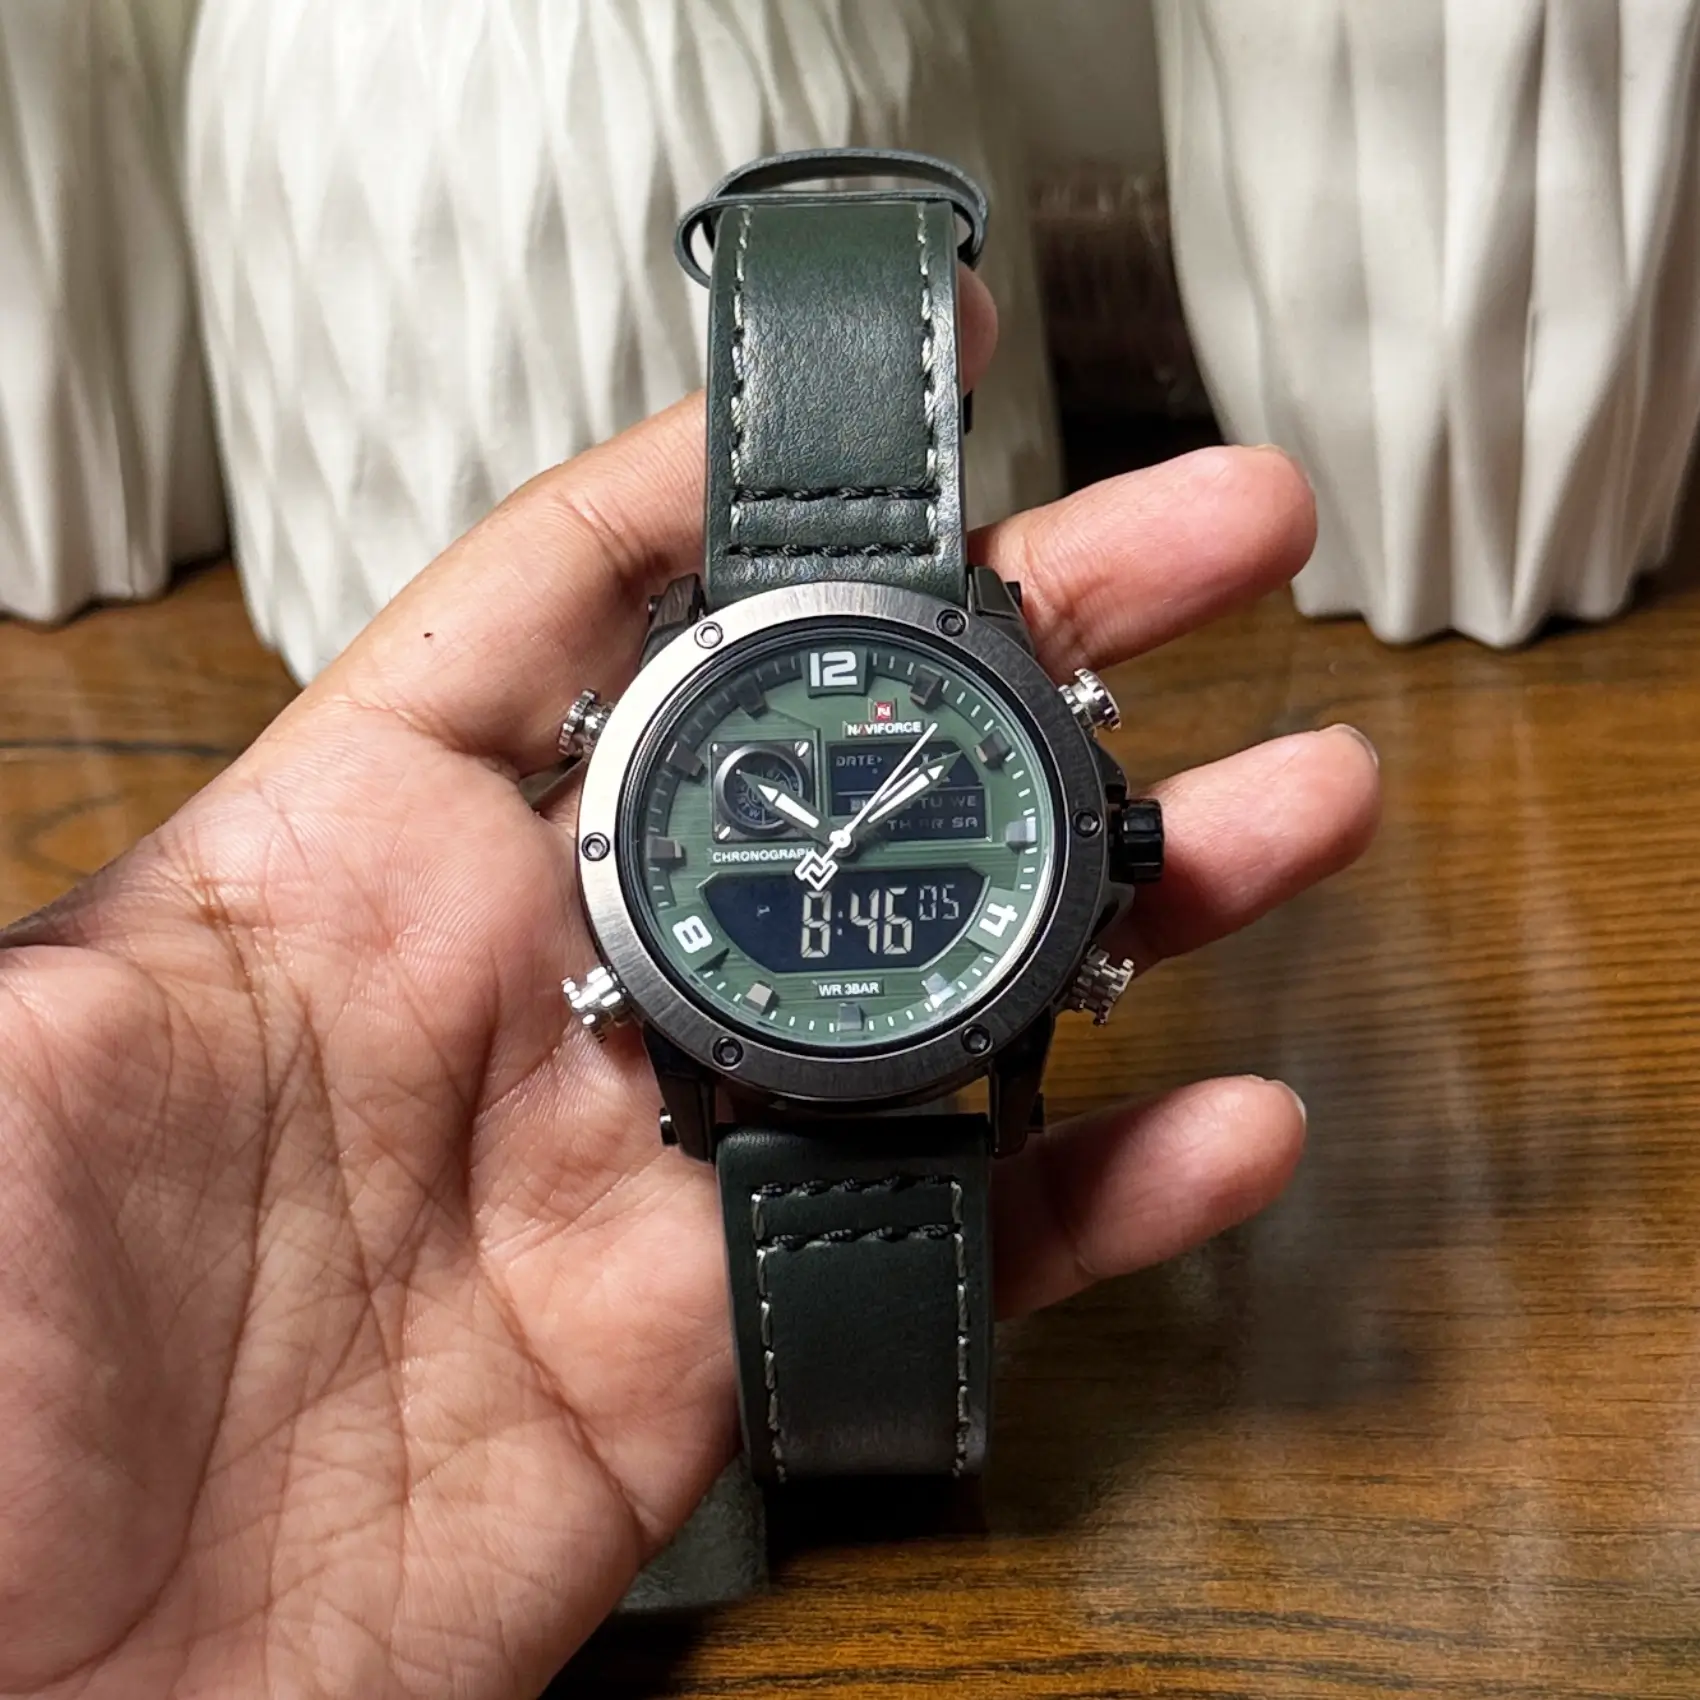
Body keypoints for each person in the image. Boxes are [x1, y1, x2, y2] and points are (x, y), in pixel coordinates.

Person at [0, 276, 1379, 1698]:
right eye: (807, 839)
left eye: (850, 841)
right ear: (616, 764)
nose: (834, 858)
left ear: (1100, 840)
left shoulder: (961, 754)